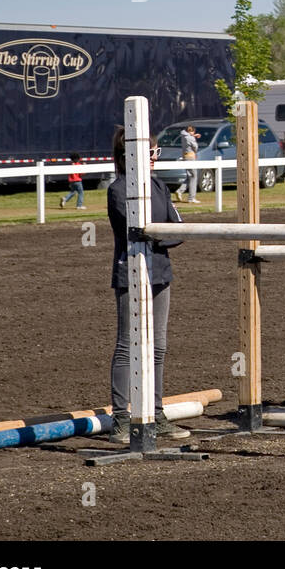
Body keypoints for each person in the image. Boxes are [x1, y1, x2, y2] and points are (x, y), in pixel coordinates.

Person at [106, 127, 190, 444]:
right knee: (128, 346)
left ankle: (155, 413)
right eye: (150, 151)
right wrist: (158, 235)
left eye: (155, 152)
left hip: (161, 272)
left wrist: (157, 236)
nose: (155, 157)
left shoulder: (158, 186)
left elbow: (178, 230)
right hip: (130, 273)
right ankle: (121, 419)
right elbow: (136, 231)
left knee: (158, 346)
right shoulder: (117, 190)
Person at [178, 125, 201, 204]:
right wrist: (194, 138)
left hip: (185, 156)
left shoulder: (184, 136)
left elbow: (188, 138)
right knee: (194, 176)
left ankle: (180, 191)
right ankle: (191, 197)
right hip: (191, 156)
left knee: (190, 176)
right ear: (192, 131)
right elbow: (195, 147)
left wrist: (194, 135)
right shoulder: (191, 138)